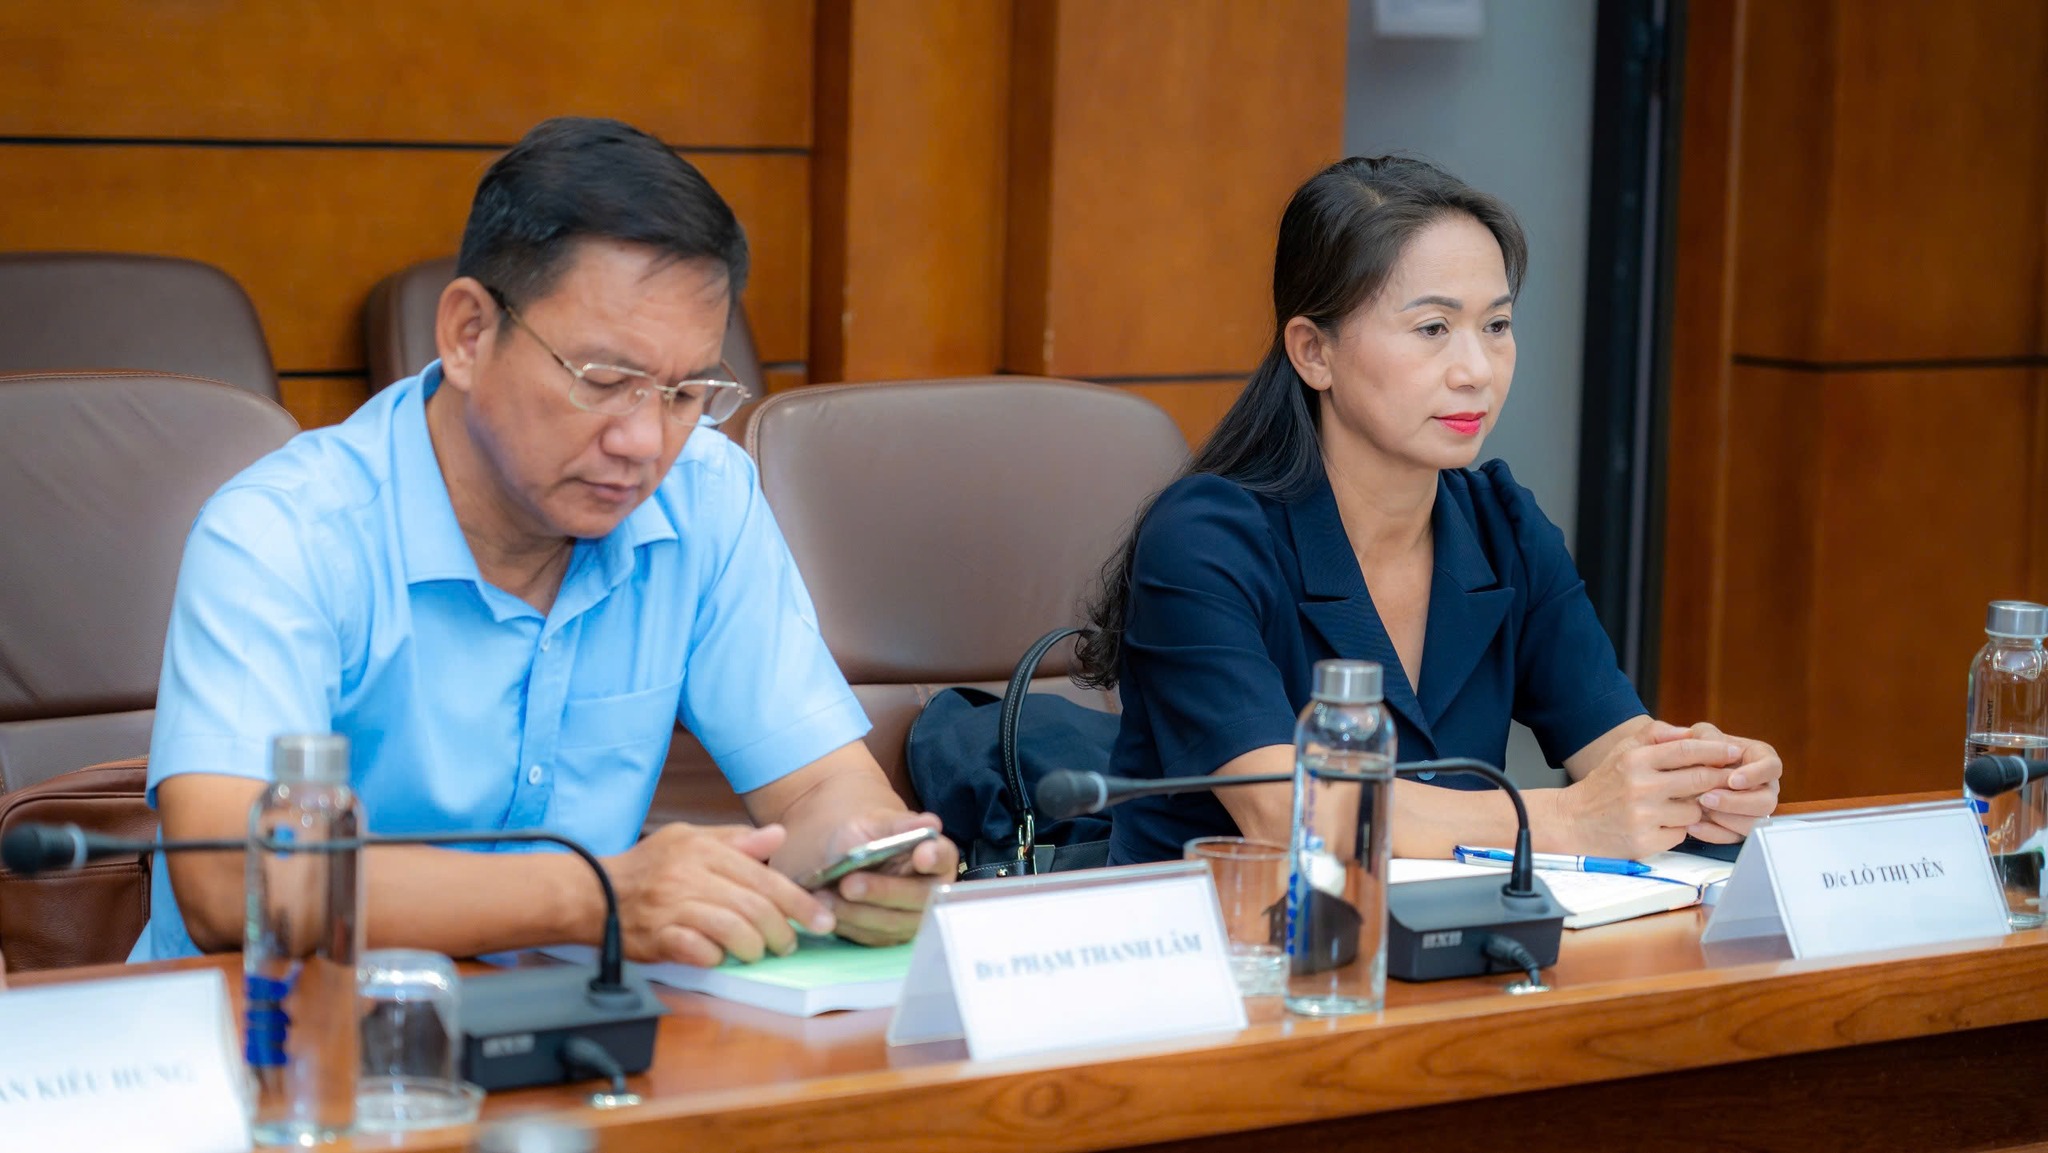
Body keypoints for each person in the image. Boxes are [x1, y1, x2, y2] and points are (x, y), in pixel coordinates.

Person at [134, 117, 955, 965]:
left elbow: (819, 783)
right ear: (469, 334)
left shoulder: (704, 496)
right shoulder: (283, 533)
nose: (644, 441)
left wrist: (868, 855)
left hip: (577, 1024)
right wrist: (597, 895)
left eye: (685, 393)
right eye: (605, 380)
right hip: (281, 1029)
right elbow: (228, 875)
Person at [1079, 156, 1781, 865]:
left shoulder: (1503, 527)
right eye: (1433, 328)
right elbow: (1286, 809)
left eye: (1497, 325)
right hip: (1227, 926)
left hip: (1446, 927)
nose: (1476, 370)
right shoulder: (1204, 539)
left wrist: (1704, 779)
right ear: (1314, 352)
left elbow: (1615, 744)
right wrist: (1567, 817)